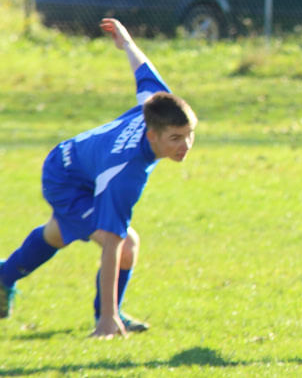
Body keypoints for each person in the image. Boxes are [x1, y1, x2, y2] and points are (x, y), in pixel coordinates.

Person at [0, 18, 198, 339]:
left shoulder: (157, 104)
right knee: (123, 242)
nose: (185, 145)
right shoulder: (125, 174)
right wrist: (106, 319)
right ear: (152, 136)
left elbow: (143, 72)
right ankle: (107, 317)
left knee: (58, 234)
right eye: (175, 138)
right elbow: (112, 243)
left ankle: (4, 275)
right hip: (64, 177)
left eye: (189, 135)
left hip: (80, 163)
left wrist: (128, 44)